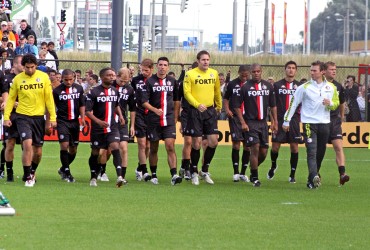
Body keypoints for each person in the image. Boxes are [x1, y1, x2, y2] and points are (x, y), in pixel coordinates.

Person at [283, 61, 339, 189]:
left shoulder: (331, 87)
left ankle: (311, 178)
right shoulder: (304, 87)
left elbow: (336, 103)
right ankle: (314, 175)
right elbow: (293, 104)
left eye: (314, 70)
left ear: (322, 72)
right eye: (311, 70)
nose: (312, 72)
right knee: (311, 151)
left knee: (321, 152)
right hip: (309, 123)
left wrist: (330, 103)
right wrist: (286, 121)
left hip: (325, 123)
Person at [3, 54, 57, 187]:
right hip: (22, 116)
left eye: (32, 67)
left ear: (36, 66)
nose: (30, 70)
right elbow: (10, 99)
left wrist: (53, 118)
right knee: (27, 144)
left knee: (38, 151)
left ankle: (32, 171)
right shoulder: (18, 79)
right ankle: (27, 176)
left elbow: (49, 99)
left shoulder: (43, 77)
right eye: (27, 67)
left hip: (38, 117)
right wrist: (6, 117)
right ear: (23, 66)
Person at [140, 57, 182, 185]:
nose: (163, 67)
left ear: (168, 67)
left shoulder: (172, 81)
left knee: (170, 146)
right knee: (153, 148)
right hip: (153, 120)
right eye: (160, 65)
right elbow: (143, 102)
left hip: (168, 119)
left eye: (165, 65)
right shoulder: (149, 82)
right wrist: (154, 110)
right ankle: (154, 174)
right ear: (156, 66)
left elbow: (176, 101)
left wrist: (175, 117)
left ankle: (174, 174)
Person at [234, 63, 277, 187]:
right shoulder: (245, 87)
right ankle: (255, 178)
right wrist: (242, 122)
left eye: (258, 71)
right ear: (251, 73)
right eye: (254, 72)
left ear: (261, 71)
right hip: (251, 123)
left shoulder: (268, 86)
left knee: (263, 152)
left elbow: (273, 105)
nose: (256, 73)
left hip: (263, 123)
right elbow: (236, 106)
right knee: (255, 148)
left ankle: (253, 169)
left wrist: (275, 121)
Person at [183, 50, 222, 185]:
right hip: (196, 111)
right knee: (196, 143)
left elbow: (217, 90)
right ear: (198, 61)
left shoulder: (214, 73)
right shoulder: (190, 74)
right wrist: (197, 104)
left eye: (207, 60)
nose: (206, 62)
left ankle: (204, 170)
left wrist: (219, 105)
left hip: (210, 111)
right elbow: (187, 93)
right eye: (203, 60)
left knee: (213, 142)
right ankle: (194, 171)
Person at [85, 67, 125, 187]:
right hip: (98, 128)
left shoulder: (115, 91)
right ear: (102, 77)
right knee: (95, 153)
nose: (112, 77)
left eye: (113, 75)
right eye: (109, 75)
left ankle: (120, 176)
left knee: (115, 146)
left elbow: (116, 105)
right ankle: (93, 177)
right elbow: (87, 111)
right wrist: (98, 122)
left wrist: (121, 116)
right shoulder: (94, 92)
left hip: (112, 127)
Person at [267, 61, 301, 183]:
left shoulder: (300, 86)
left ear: (296, 71)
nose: (291, 70)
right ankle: (273, 165)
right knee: (275, 147)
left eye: (293, 68)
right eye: (289, 68)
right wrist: (273, 121)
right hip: (279, 119)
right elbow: (272, 105)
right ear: (285, 69)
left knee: (294, 147)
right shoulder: (276, 85)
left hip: (294, 120)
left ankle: (292, 174)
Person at [53, 69, 86, 183]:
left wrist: (82, 118)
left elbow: (82, 104)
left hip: (75, 122)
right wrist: (53, 120)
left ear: (74, 78)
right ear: (62, 78)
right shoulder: (57, 91)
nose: (68, 82)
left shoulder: (79, 88)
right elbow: (52, 106)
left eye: (70, 79)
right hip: (62, 121)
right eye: (65, 80)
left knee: (73, 149)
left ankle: (62, 168)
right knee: (64, 145)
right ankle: (67, 172)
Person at [324, 61, 350, 185]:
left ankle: (342, 174)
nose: (334, 71)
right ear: (324, 71)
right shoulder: (319, 85)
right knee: (319, 149)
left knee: (338, 147)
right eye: (331, 69)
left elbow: (341, 103)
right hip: (321, 120)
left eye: (335, 69)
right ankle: (315, 173)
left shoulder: (339, 86)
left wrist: (342, 117)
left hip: (334, 121)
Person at [223, 65, 251, 182]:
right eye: (242, 75)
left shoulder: (252, 84)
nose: (244, 77)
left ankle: (243, 173)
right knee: (236, 144)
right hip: (235, 117)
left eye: (246, 75)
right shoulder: (232, 84)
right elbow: (226, 98)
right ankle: (235, 172)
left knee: (248, 146)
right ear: (238, 73)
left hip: (249, 118)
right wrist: (227, 109)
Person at [131, 58, 154, 182]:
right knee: (142, 144)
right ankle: (145, 172)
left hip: (151, 114)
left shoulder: (154, 80)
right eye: (142, 70)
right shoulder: (136, 80)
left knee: (148, 145)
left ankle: (140, 167)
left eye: (146, 70)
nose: (143, 72)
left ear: (151, 69)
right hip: (140, 113)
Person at [178, 61, 198, 181]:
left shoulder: (205, 83)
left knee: (197, 143)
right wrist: (180, 120)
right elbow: (179, 101)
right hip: (187, 114)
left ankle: (190, 167)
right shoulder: (183, 84)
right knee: (188, 141)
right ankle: (187, 169)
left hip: (200, 115)